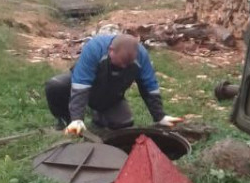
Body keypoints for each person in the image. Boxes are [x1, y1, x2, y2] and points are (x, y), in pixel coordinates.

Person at [45, 32, 177, 135]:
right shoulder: (94, 48)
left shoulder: (141, 55)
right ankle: (66, 121)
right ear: (110, 50)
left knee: (124, 124)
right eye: (120, 63)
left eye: (127, 65)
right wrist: (76, 119)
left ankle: (99, 116)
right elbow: (81, 84)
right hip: (87, 86)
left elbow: (149, 87)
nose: (123, 67)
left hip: (111, 94)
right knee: (56, 85)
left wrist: (160, 116)